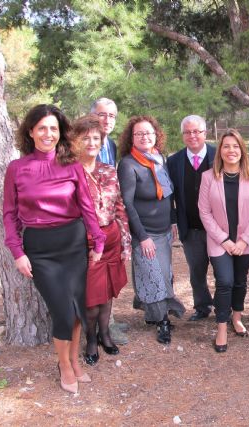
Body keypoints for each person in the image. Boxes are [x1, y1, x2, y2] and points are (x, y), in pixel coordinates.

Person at [3, 104, 105, 393]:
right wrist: (17, 252)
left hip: (73, 245)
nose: (48, 134)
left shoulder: (72, 166)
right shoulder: (17, 169)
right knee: (62, 311)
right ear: (31, 132)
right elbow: (9, 215)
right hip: (41, 250)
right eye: (42, 128)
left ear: (60, 133)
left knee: (77, 309)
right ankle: (63, 365)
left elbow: (86, 206)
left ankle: (74, 361)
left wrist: (97, 240)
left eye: (53, 128)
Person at [118, 116, 184, 344]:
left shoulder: (159, 159)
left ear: (156, 135)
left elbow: (168, 195)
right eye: (139, 133)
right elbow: (127, 204)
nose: (144, 137)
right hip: (144, 233)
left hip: (164, 230)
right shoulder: (128, 164)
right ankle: (162, 321)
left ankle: (152, 312)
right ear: (131, 138)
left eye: (148, 132)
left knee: (163, 274)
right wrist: (142, 236)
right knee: (153, 276)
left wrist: (173, 221)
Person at [198, 129, 249, 352]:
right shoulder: (208, 177)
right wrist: (224, 240)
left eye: (236, 146)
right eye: (226, 146)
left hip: (246, 241)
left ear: (242, 150)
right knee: (225, 281)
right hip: (219, 241)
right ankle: (221, 327)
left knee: (240, 281)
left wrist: (244, 241)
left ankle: (237, 317)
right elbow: (204, 212)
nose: (231, 150)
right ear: (220, 150)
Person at [72, 114, 131, 366]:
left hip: (112, 239)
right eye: (86, 138)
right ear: (75, 141)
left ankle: (105, 334)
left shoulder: (108, 170)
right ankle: (91, 340)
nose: (91, 143)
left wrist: (125, 241)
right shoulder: (69, 171)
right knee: (91, 297)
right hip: (84, 243)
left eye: (96, 138)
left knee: (107, 293)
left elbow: (119, 206)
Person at [167, 115, 215, 322]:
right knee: (197, 271)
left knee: (223, 271)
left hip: (218, 228)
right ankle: (202, 306)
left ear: (205, 133)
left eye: (196, 131)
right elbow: (170, 194)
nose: (192, 136)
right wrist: (173, 220)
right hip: (191, 228)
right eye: (187, 132)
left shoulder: (218, 155)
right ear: (182, 135)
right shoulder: (174, 161)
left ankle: (225, 307)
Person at [91, 98, 118, 167]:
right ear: (92, 116)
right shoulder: (82, 144)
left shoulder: (112, 144)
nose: (107, 121)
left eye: (111, 116)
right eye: (102, 115)